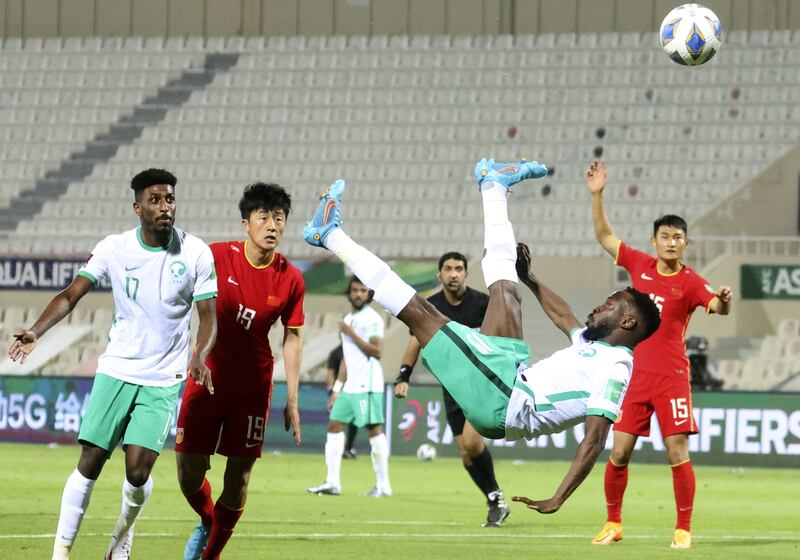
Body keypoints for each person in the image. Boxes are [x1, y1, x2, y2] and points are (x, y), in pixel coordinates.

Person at [302, 159, 661, 514]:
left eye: (611, 304)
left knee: (419, 312)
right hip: (511, 374)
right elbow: (563, 315)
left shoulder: (616, 367)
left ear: (627, 322)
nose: (600, 306)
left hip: (503, 401)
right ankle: (493, 186)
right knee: (507, 290)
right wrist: (531, 278)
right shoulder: (596, 345)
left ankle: (331, 236)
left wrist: (558, 497)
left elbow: (595, 438)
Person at [8, 169, 218, 560]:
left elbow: (208, 315)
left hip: (162, 378)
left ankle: (120, 539)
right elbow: (72, 294)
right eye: (155, 200)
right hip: (117, 369)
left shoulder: (196, 253)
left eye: (169, 198)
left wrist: (200, 355)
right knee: (90, 462)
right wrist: (37, 331)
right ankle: (60, 553)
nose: (164, 207)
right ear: (138, 208)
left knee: (138, 473)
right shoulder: (114, 248)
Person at [585, 160, 732, 549]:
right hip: (634, 374)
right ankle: (613, 523)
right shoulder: (639, 265)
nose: (671, 242)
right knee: (618, 452)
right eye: (665, 236)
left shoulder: (691, 282)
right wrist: (597, 194)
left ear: (686, 243)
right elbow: (604, 236)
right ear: (654, 241)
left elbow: (715, 306)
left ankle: (683, 529)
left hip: (671, 378)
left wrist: (724, 301)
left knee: (676, 451)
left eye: (678, 237)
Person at [175, 183, 304, 560]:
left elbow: (292, 338)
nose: (272, 225)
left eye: (279, 218)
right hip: (207, 377)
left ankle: (210, 555)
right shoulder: (215, 256)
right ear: (245, 223)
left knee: (238, 479)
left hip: (252, 387)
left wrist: (292, 398)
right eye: (263, 217)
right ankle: (207, 519)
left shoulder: (291, 278)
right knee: (188, 472)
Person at [395, 251, 511, 527]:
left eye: (459, 268)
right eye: (448, 269)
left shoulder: (483, 304)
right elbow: (415, 341)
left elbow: (501, 339)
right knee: (465, 453)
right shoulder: (430, 306)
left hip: (481, 385)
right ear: (440, 274)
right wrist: (404, 375)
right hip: (452, 388)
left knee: (472, 442)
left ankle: (496, 498)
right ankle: (495, 500)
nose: (453, 273)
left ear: (466, 274)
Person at [307, 276, 391, 497]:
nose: (359, 294)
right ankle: (332, 482)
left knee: (374, 431)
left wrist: (349, 333)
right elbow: (347, 358)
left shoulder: (372, 319)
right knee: (334, 425)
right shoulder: (348, 319)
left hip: (368, 384)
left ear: (368, 294)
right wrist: (336, 389)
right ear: (349, 293)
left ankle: (383, 485)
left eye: (363, 290)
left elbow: (376, 351)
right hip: (350, 385)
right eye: (355, 290)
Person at [326, 345, 359, 459]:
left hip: (354, 390)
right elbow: (330, 372)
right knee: (336, 422)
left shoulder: (356, 349)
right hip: (340, 391)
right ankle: (338, 451)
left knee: (354, 422)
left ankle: (349, 447)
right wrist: (332, 390)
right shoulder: (335, 352)